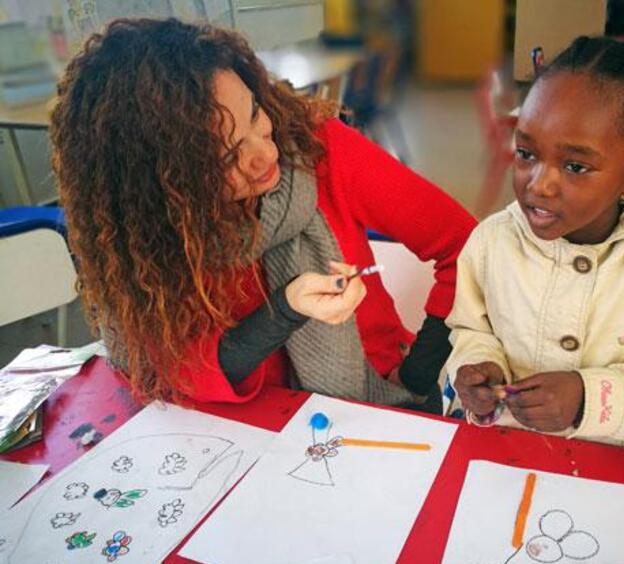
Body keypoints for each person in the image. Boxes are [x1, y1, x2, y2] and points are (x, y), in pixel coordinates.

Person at [50, 18, 475, 412]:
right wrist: (284, 311)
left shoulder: (317, 148)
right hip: (239, 428)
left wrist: (418, 374)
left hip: (375, 404)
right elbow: (160, 363)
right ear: (162, 187)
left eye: (255, 113)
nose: (267, 154)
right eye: (228, 156)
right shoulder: (147, 238)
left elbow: (468, 247)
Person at [446, 36, 624, 447]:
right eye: (526, 153)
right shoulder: (492, 241)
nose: (538, 185)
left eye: (575, 166)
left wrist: (588, 399)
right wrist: (475, 365)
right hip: (505, 448)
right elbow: (470, 327)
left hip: (619, 462)